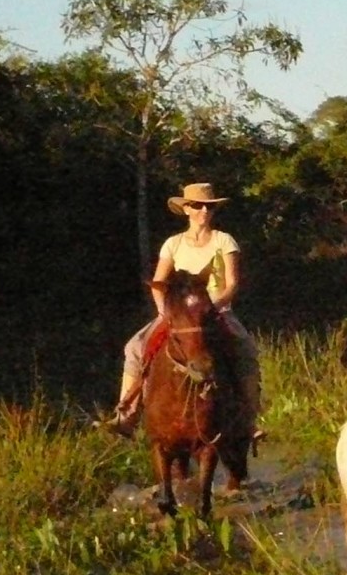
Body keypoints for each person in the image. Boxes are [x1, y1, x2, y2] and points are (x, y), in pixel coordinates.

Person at [100, 182, 262, 439]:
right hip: (179, 314)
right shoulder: (173, 244)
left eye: (208, 207)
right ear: (186, 209)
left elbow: (231, 284)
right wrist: (165, 311)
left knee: (246, 350)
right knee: (134, 347)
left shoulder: (224, 240)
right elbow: (158, 283)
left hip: (215, 311)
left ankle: (249, 419)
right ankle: (126, 415)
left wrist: (211, 307)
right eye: (197, 206)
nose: (203, 211)